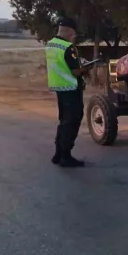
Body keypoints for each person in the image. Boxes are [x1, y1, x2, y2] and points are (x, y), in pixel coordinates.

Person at [46, 17, 89, 167]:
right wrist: (86, 68)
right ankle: (65, 155)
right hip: (71, 88)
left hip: (59, 87)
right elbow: (75, 71)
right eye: (73, 33)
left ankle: (58, 154)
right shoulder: (68, 47)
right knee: (72, 121)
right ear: (69, 30)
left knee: (64, 121)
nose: (74, 36)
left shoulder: (50, 44)